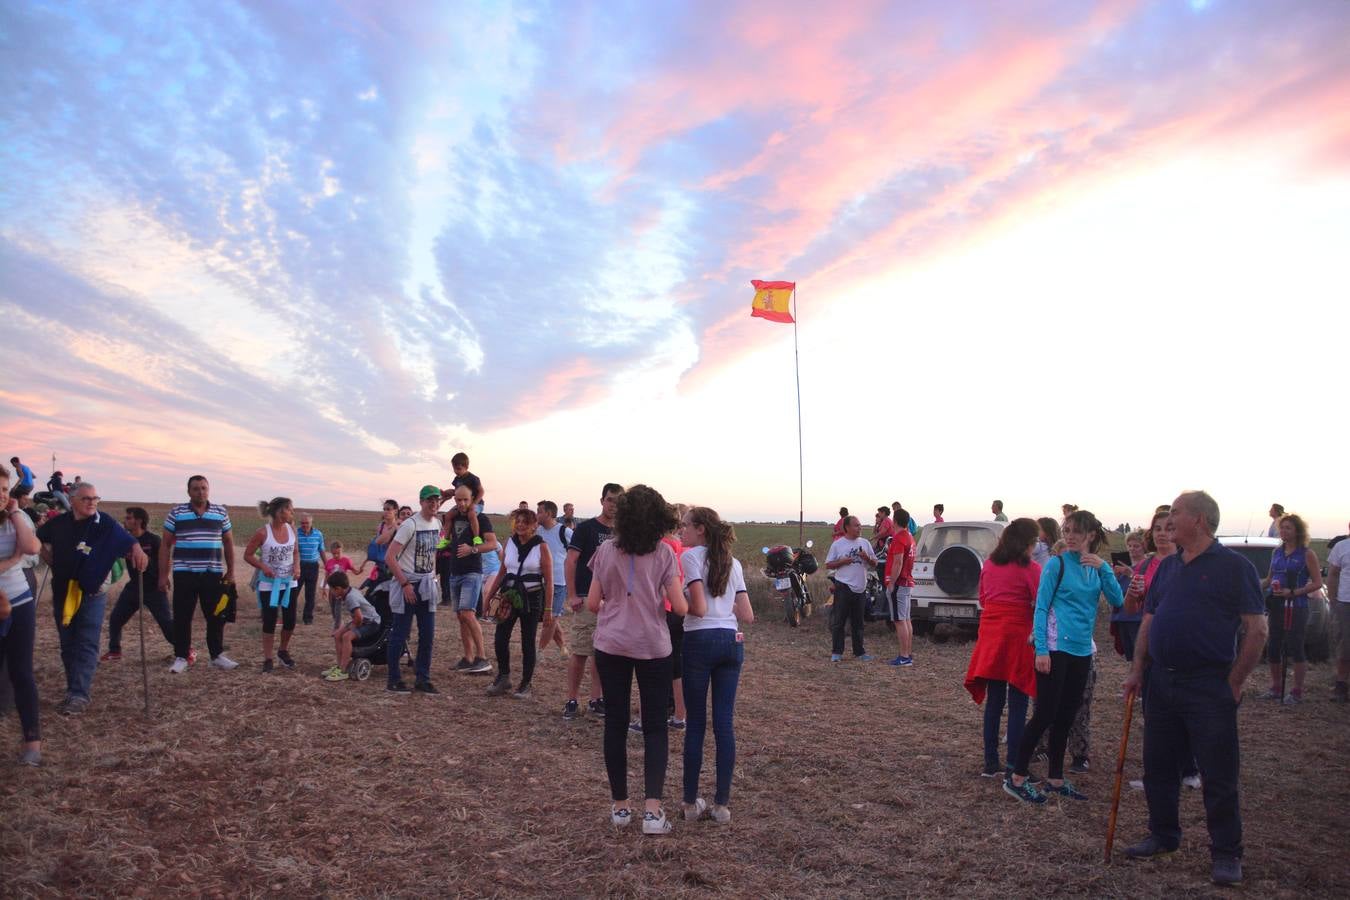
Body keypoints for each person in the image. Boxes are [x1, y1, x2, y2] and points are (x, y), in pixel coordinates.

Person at [1121, 491, 1267, 887]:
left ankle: (1226, 853)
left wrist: (1235, 682)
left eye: (1177, 513)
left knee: (1218, 773)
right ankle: (1163, 834)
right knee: (1159, 766)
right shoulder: (1168, 568)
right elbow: (1149, 621)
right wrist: (1137, 669)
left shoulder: (1234, 567)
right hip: (1161, 680)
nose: (1170, 519)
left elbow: (1257, 629)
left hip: (1208, 684)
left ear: (1199, 520)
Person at [1005, 509, 1123, 804]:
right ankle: (1016, 777)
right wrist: (1042, 650)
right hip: (1055, 648)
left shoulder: (1096, 568)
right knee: (1045, 713)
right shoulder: (1056, 564)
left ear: (1090, 535)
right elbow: (1041, 607)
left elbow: (1118, 601)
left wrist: (1105, 568)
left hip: (1082, 650)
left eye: (1076, 531)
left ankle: (1056, 778)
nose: (1069, 536)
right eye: (1066, 530)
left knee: (1066, 716)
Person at [586, 484, 685, 834]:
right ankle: (653, 812)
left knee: (615, 722)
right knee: (655, 727)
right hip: (653, 647)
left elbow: (593, 603)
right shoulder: (663, 554)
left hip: (611, 644)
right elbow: (681, 607)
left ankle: (620, 808)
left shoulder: (605, 551)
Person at [36, 482, 148, 713]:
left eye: (95, 498)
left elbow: (129, 542)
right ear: (73, 500)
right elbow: (38, 539)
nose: (92, 503)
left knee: (86, 642)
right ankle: (73, 688)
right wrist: (50, 559)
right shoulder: (58, 524)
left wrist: (137, 550)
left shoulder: (104, 523)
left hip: (92, 592)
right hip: (63, 591)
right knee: (68, 644)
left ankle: (79, 695)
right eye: (87, 498)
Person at [678, 505, 752, 825]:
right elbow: (747, 614)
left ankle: (691, 803)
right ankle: (722, 804)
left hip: (700, 640)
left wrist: (674, 602)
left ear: (701, 530)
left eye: (685, 526)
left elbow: (697, 606)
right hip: (731, 642)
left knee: (695, 723)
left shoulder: (691, 557)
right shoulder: (732, 562)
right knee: (724, 723)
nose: (681, 530)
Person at [964, 518, 1041, 777]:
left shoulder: (989, 565)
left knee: (995, 701)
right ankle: (1013, 765)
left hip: (992, 635)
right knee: (1018, 702)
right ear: (1027, 543)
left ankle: (990, 762)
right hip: (1018, 636)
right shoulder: (1032, 569)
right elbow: (1039, 601)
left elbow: (984, 599)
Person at [161, 475, 238, 673]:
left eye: (204, 488)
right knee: (182, 616)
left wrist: (231, 571)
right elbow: (165, 545)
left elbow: (228, 542)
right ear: (189, 492)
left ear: (209, 490)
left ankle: (216, 655)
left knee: (215, 616)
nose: (200, 492)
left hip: (212, 574)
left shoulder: (220, 512)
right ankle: (181, 656)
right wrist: (163, 575)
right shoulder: (176, 513)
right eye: (196, 488)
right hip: (184, 572)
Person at [563, 483, 622, 720]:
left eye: (618, 501)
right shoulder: (586, 528)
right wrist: (572, 594)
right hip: (588, 597)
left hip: (614, 602)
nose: (613, 505)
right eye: (610, 500)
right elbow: (570, 561)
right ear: (601, 501)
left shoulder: (623, 532)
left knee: (603, 653)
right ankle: (572, 699)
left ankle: (596, 699)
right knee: (580, 651)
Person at [483, 508, 552, 698]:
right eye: (518, 521)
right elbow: (502, 572)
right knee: (500, 637)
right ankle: (503, 677)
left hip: (532, 598)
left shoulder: (541, 547)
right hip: (508, 596)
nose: (520, 525)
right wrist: (489, 596)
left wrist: (548, 609)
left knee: (527, 641)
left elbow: (549, 580)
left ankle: (526, 684)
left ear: (533, 526)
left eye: (525, 522)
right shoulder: (510, 544)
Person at [384, 486, 445, 693]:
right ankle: (393, 679)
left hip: (427, 585)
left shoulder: (437, 523)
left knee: (427, 635)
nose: (434, 503)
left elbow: (433, 553)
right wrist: (404, 584)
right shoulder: (409, 525)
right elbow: (390, 558)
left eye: (436, 500)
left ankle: (422, 678)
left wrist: (433, 578)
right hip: (407, 585)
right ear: (421, 502)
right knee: (400, 634)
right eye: (430, 500)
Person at [1, 464, 42, 763]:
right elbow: (20, 555)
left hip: (19, 602)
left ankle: (32, 744)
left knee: (22, 672)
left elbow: (31, 546)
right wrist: (11, 559)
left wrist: (15, 512)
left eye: (4, 489)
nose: (2, 495)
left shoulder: (13, 520)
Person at [1260, 513, 1323, 704]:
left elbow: (1317, 583)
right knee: (1273, 646)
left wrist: (1294, 591)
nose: (1284, 531)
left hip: (1297, 605)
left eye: (1288, 528)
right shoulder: (1277, 552)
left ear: (1297, 531)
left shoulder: (1306, 554)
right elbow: (1270, 579)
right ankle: (1276, 687)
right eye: (1282, 527)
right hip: (1277, 603)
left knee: (1295, 647)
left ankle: (1296, 691)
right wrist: (1253, 585)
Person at [102, 507, 175, 661]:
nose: (125, 521)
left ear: (139, 521)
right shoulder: (126, 541)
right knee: (115, 619)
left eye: (129, 518)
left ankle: (185, 650)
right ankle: (115, 651)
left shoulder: (153, 540)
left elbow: (166, 559)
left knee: (166, 624)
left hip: (154, 588)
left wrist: (164, 577)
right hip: (134, 587)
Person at [442, 484, 495, 675]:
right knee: (460, 617)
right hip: (454, 572)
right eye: (458, 499)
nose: (462, 503)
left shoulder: (481, 519)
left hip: (472, 572)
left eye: (465, 499)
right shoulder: (453, 516)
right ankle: (468, 657)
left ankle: (482, 658)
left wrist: (472, 549)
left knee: (467, 613)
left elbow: (492, 544)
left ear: (473, 499)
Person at [243, 498, 300, 673]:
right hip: (269, 585)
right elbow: (248, 555)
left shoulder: (292, 530)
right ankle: (268, 658)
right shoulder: (262, 533)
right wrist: (263, 567)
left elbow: (296, 551)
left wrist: (297, 566)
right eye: (290, 509)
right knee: (269, 621)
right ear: (280, 511)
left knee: (290, 620)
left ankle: (283, 651)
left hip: (289, 583)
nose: (292, 512)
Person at [824, 516, 877, 662]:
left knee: (858, 622)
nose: (860, 528)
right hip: (843, 587)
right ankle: (837, 653)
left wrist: (866, 558)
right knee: (839, 621)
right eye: (856, 526)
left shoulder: (865, 543)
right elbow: (828, 565)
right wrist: (842, 562)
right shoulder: (838, 544)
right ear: (847, 527)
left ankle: (859, 652)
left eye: (860, 525)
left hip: (860, 588)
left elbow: (874, 563)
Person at [322, 572, 380, 683]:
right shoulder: (348, 592)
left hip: (371, 623)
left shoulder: (351, 597)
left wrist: (349, 628)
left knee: (346, 637)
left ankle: (343, 671)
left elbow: (359, 618)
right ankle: (339, 666)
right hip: (363, 621)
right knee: (338, 635)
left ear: (338, 589)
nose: (332, 593)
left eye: (332, 590)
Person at [535, 501, 571, 657]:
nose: (537, 515)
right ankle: (563, 647)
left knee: (552, 617)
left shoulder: (565, 532)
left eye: (539, 512)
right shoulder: (538, 531)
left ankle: (539, 652)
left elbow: (579, 552)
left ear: (548, 514)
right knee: (549, 618)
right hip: (541, 582)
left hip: (559, 582)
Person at [1112, 528, 1150, 663]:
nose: (1132, 549)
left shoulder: (1148, 565)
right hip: (1122, 616)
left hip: (1138, 618)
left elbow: (1148, 587)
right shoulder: (1123, 566)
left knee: (1141, 656)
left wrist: (1131, 574)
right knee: (1130, 656)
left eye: (1136, 546)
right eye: (1129, 546)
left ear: (1144, 547)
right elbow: (1115, 592)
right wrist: (1114, 577)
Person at [885, 509, 917, 666]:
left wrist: (891, 582)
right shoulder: (910, 537)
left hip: (899, 583)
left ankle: (904, 656)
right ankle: (908, 653)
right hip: (907, 582)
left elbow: (898, 562)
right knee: (906, 619)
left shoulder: (899, 538)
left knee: (899, 620)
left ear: (895, 521)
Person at [1327, 522, 1350, 702]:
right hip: (1345, 602)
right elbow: (1333, 574)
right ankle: (1341, 684)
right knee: (1344, 645)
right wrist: (1333, 600)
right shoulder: (1341, 547)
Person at [323, 541, 366, 629]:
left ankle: (338, 627)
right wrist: (324, 587)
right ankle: (337, 623)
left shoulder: (346, 561)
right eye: (334, 553)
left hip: (342, 590)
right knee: (333, 608)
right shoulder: (329, 562)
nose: (336, 555)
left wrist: (360, 570)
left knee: (338, 608)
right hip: (332, 589)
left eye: (338, 553)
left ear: (342, 551)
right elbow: (326, 575)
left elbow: (355, 571)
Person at [295, 513, 328, 626]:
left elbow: (321, 550)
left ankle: (308, 618)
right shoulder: (295, 533)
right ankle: (290, 616)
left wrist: (327, 565)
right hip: (298, 566)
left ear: (311, 523)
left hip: (313, 567)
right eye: (302, 523)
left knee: (310, 594)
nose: (304, 525)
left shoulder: (318, 534)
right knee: (294, 593)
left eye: (307, 523)